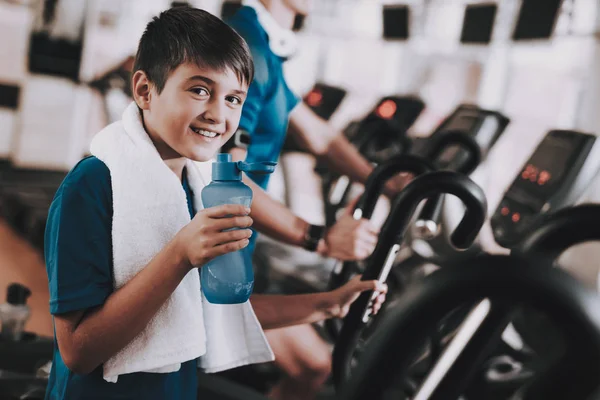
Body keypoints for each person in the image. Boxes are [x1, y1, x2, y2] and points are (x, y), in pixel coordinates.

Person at [43, 7, 387, 400]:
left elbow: (213, 309)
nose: (218, 115)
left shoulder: (199, 186)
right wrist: (179, 255)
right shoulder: (91, 186)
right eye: (200, 90)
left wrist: (328, 305)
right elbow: (78, 352)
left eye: (234, 99)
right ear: (144, 90)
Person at [225, 1, 410, 399]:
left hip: (231, 245)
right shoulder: (243, 46)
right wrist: (318, 238)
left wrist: (386, 182)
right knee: (313, 365)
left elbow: (316, 133)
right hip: (204, 253)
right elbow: (225, 174)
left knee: (313, 366)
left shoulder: (263, 47)